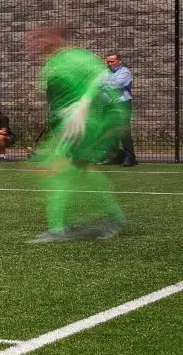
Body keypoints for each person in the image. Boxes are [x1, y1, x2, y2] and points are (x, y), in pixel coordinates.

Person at [25, 24, 127, 243]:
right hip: (67, 125)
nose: (35, 42)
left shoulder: (79, 57)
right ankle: (115, 217)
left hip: (86, 122)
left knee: (57, 169)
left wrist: (85, 104)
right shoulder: (50, 64)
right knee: (82, 168)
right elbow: (55, 101)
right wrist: (55, 126)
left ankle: (57, 229)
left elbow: (102, 79)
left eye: (41, 37)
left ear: (56, 37)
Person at [103, 53, 136, 167]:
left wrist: (104, 84)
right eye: (108, 61)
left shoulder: (125, 72)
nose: (109, 63)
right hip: (109, 105)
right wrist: (106, 84)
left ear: (119, 61)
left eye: (112, 61)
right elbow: (98, 84)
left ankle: (130, 158)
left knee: (123, 131)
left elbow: (116, 85)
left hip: (122, 104)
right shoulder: (105, 73)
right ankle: (114, 157)